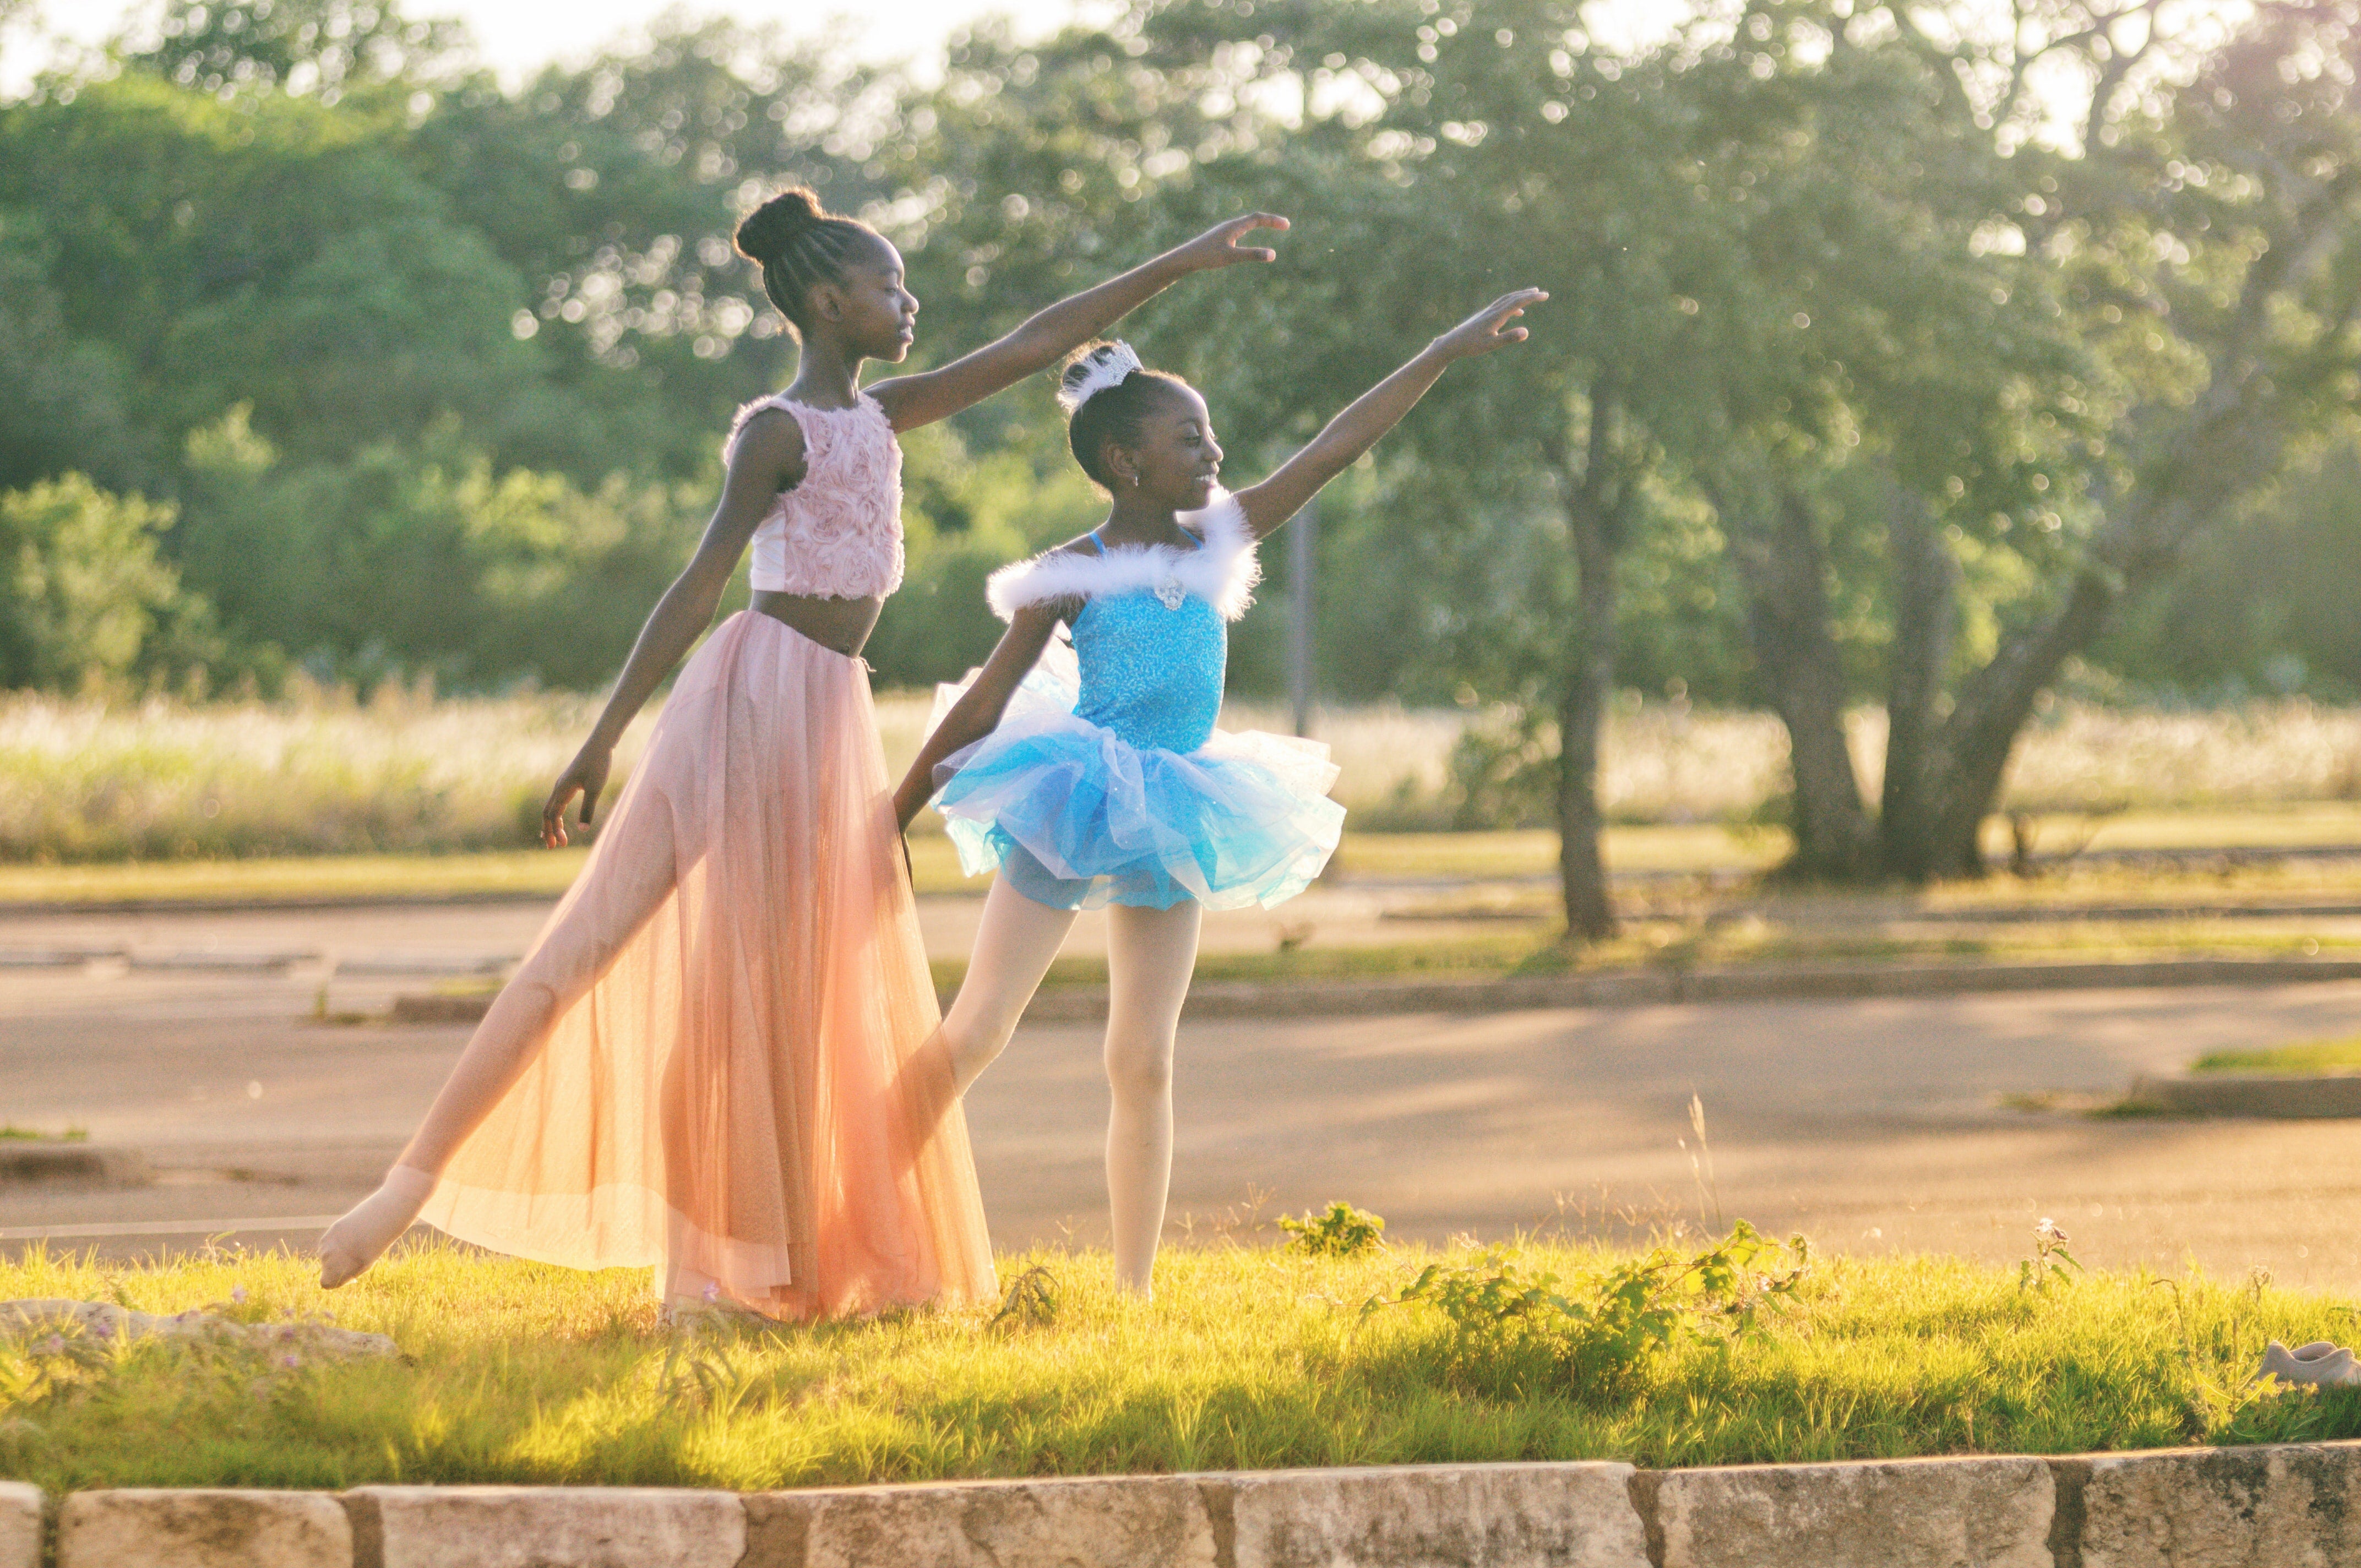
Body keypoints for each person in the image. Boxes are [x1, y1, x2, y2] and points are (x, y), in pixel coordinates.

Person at [314, 186, 1294, 1319]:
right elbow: (696, 582)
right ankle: (410, 1192)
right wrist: (602, 737)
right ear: (829, 302)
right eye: (888, 284)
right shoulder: (773, 431)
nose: (908, 300)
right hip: (749, 689)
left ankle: (759, 1262)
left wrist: (1183, 258)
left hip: (831, 706)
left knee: (786, 991)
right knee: (618, 945)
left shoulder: (886, 418)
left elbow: (1038, 341)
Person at [894, 287, 1546, 1297]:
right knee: (977, 1028)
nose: (1213, 451)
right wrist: (886, 816)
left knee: (1143, 1059)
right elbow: (986, 700)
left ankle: (1134, 1290)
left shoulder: (1220, 542)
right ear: (1126, 461)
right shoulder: (1072, 571)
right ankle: (851, 1198)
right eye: (1189, 438)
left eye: (1210, 435)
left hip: (1177, 807)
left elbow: (1335, 447)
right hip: (1075, 795)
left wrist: (1445, 350)